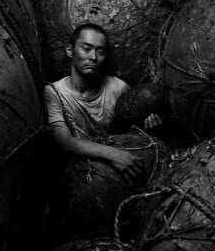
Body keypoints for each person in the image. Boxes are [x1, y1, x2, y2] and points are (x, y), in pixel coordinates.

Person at [44, 23, 161, 185]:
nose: (93, 57)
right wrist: (114, 155)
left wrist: (151, 131)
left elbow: (132, 132)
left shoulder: (118, 88)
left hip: (120, 173)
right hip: (81, 175)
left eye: (100, 51)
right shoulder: (54, 92)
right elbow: (64, 141)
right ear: (70, 50)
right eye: (86, 49)